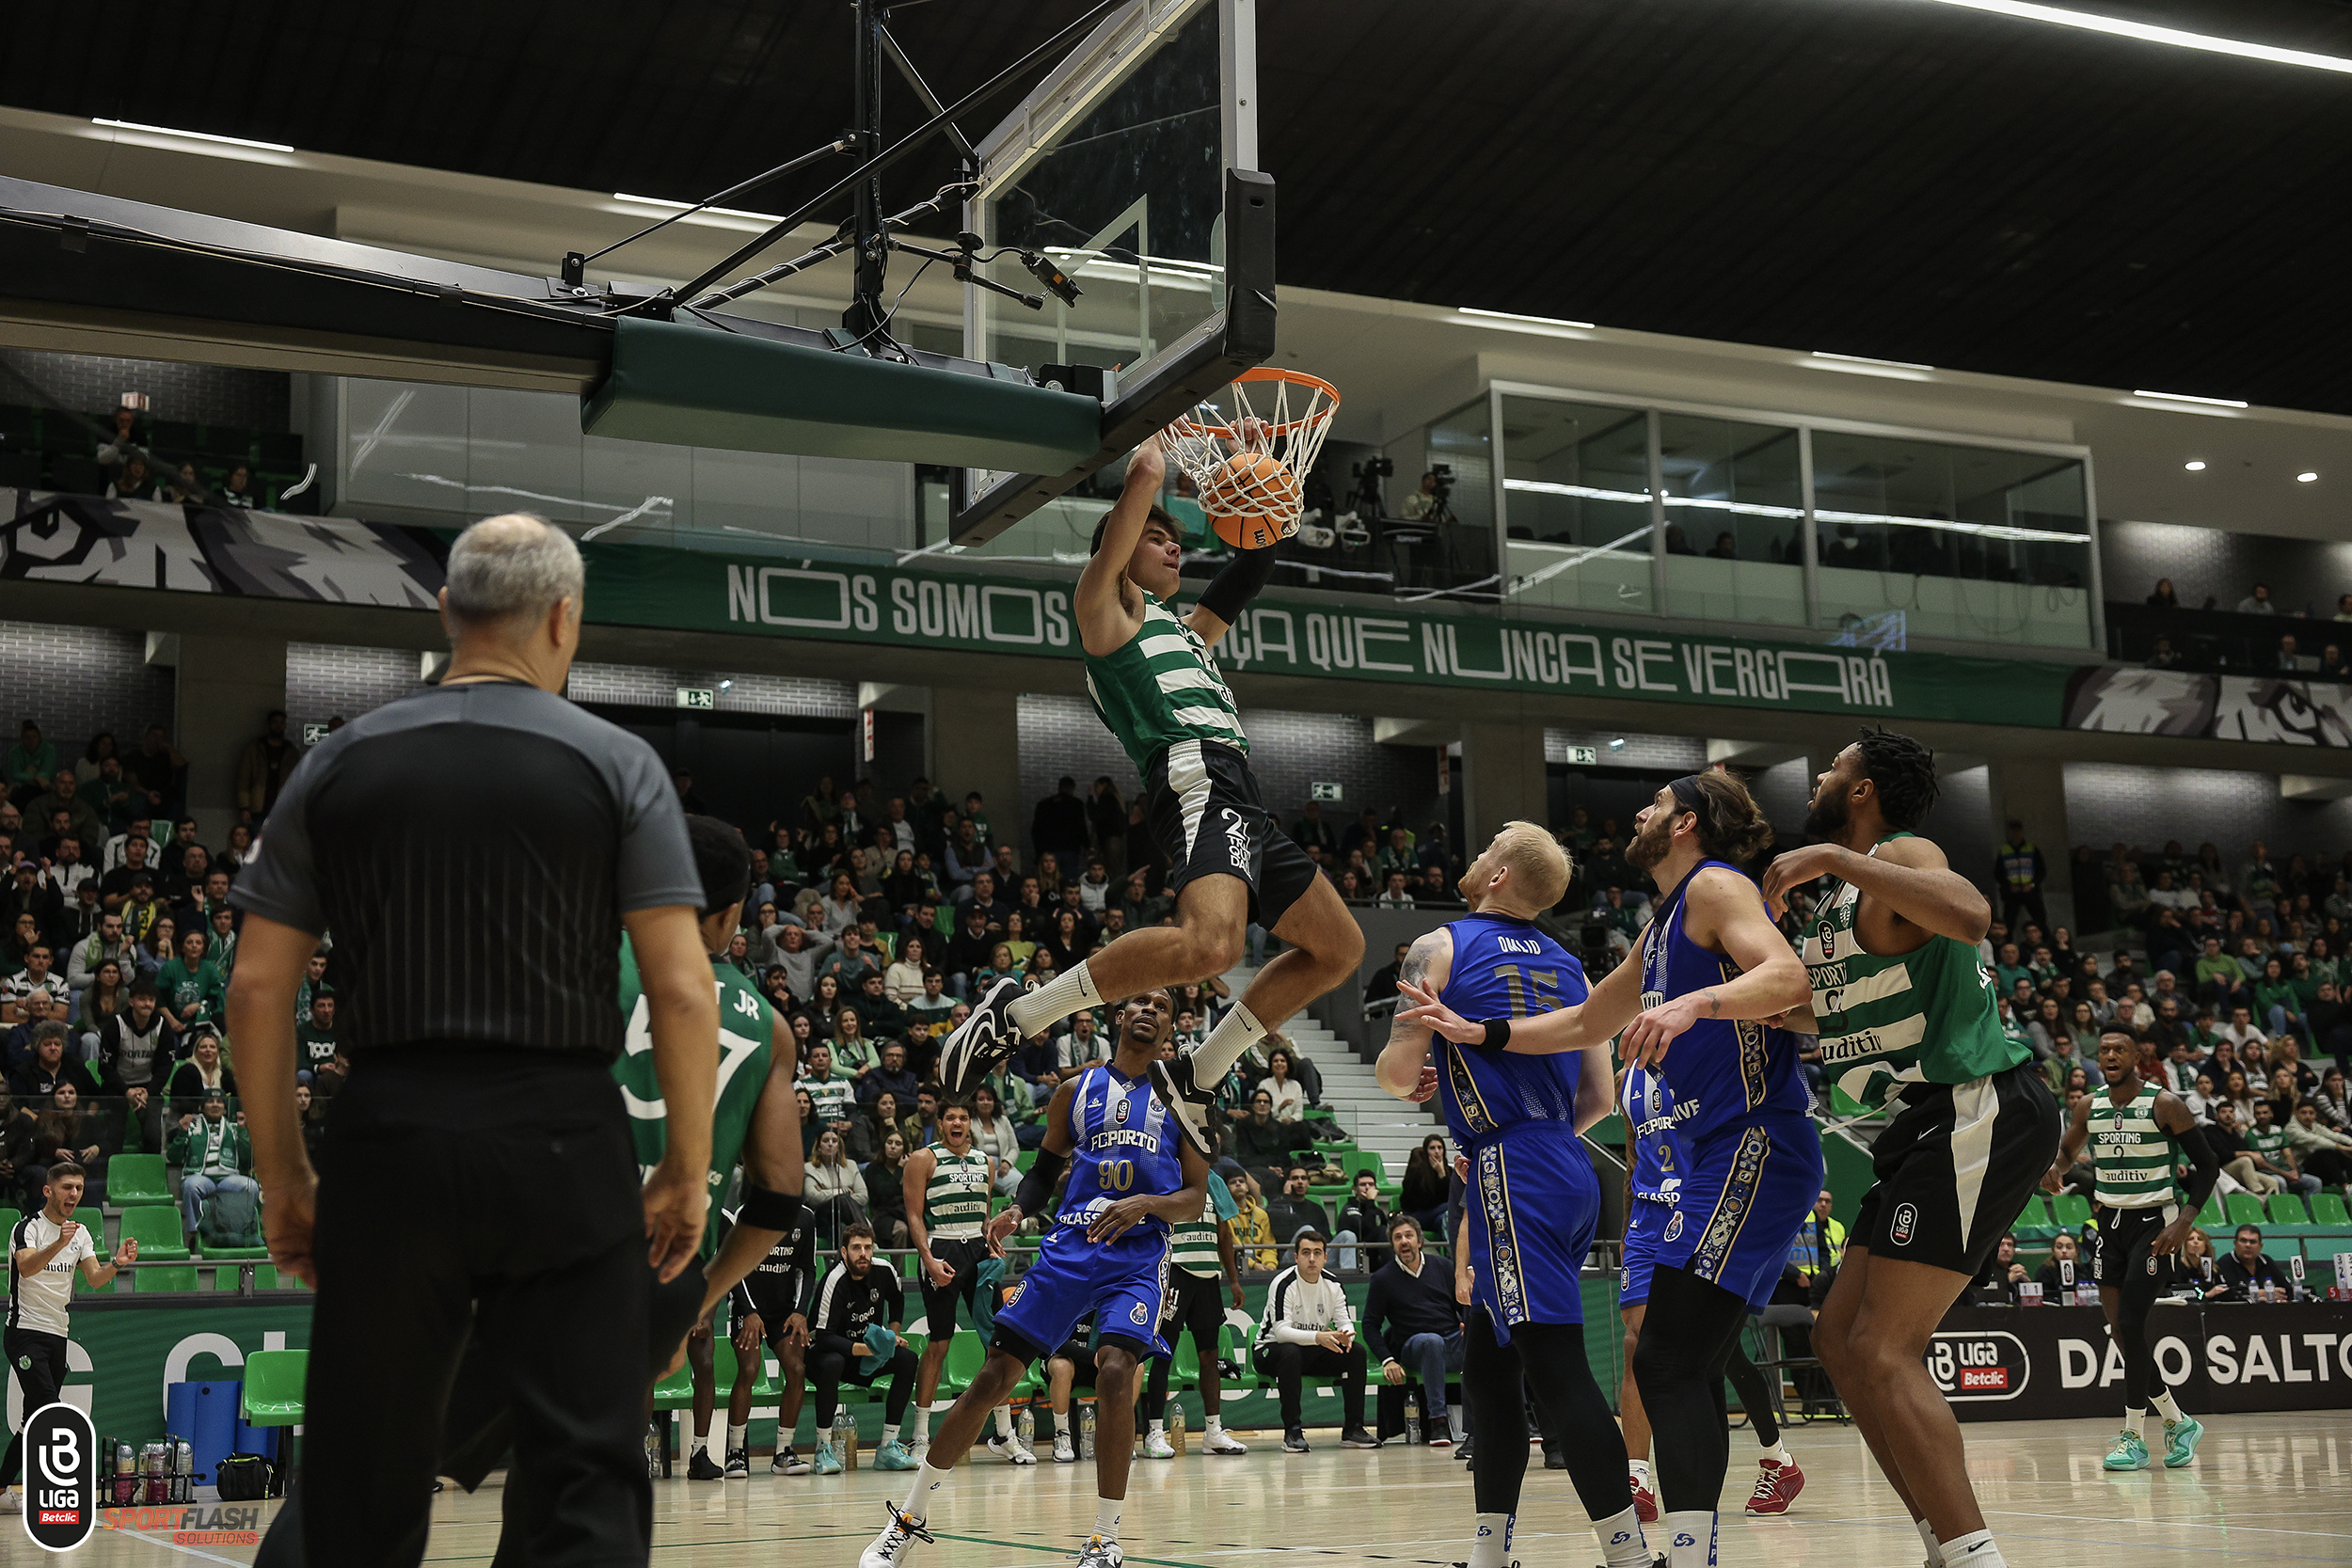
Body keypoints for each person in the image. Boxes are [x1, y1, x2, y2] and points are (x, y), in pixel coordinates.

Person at [225, 513, 718, 1568]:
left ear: (447, 611)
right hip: (559, 1133)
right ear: (564, 619)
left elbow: (259, 987)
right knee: (582, 1468)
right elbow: (682, 991)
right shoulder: (619, 763)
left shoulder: (337, 761)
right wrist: (685, 1163)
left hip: (390, 1131)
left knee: (364, 1473)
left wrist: (282, 1173)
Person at [937, 436, 1365, 1166]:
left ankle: (1198, 1071)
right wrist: (1174, 442)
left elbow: (1254, 564)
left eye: (1176, 542)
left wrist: (1264, 477)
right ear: (1122, 547)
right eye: (1156, 538)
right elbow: (1141, 474)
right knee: (1211, 947)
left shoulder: (1188, 631)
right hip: (1194, 775)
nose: (1173, 550)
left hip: (1243, 794)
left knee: (1339, 948)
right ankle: (1020, 1014)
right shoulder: (1106, 614)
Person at [1762, 729, 2062, 1568]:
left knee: (1884, 1348)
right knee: (1836, 1340)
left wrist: (1830, 854)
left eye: (1833, 766)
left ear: (1861, 791)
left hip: (1978, 1104)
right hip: (1921, 1122)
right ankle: (1941, 1536)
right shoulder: (1839, 902)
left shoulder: (1902, 852)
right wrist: (1725, 1011)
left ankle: (1974, 1556)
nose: (1820, 772)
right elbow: (1843, 1015)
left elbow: (1971, 914)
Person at [859, 990, 1210, 1568]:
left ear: (1172, 1024)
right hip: (1071, 1245)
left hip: (1139, 1254)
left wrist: (1145, 1204)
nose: (1150, 1009)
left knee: (1118, 1369)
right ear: (1117, 1017)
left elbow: (1195, 1198)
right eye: (1139, 1001)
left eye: (1163, 1005)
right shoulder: (1075, 1091)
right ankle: (909, 1519)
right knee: (994, 1377)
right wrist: (1017, 1209)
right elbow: (1045, 1168)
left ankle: (1105, 1537)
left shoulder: (1182, 1099)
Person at [1381, 823, 1652, 1568]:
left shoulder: (1439, 945)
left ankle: (1628, 1555)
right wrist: (1525, 1128)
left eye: (1487, 844)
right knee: (1493, 1365)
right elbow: (1599, 1094)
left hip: (1513, 1169)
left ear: (1498, 872)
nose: (1475, 852)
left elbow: (1399, 1074)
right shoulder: (1571, 965)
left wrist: (1436, 1084)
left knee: (1556, 1364)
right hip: (1566, 1166)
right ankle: (1490, 1551)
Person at [612, 816, 803, 1483]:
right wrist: (699, 1299)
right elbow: (780, 1194)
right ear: (732, 913)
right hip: (649, 1284)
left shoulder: (578, 955)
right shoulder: (772, 1027)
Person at [1615, 1061, 1804, 1525]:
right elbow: (1635, 1155)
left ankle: (1777, 1459)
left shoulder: (1710, 1057)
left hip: (1710, 1207)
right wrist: (1627, 1226)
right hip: (1649, 1215)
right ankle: (1636, 1476)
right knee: (1639, 1341)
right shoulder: (1626, 1080)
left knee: (1715, 1356)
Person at [2043, 1031, 2217, 1474]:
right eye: (2104, 1050)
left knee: (2131, 1323)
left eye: (2120, 1049)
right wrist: (2056, 1170)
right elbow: (2067, 1151)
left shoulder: (2166, 1104)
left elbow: (2208, 1165)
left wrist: (2184, 1221)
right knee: (2123, 1333)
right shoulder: (2089, 1106)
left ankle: (2135, 1436)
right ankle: (2178, 1421)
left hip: (2155, 1225)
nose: (2111, 1056)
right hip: (2110, 1224)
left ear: (2138, 1056)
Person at [2, 1162, 135, 1511]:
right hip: (24, 1331)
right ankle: (59, 1493)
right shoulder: (27, 1228)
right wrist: (58, 1244)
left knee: (33, 1420)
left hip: (57, 1334)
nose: (73, 1194)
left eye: (78, 1188)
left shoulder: (81, 1233)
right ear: (49, 1191)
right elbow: (27, 1267)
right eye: (66, 1187)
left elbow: (93, 1279)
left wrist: (117, 1263)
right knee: (50, 1410)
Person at [903, 1098, 1001, 1456]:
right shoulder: (922, 1159)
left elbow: (985, 1214)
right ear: (941, 1123)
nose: (957, 1123)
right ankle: (920, 1436)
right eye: (950, 1118)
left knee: (998, 1344)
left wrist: (991, 1242)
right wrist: (928, 1260)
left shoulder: (985, 1162)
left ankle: (1004, 1434)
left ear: (969, 1123)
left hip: (977, 1252)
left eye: (963, 1117)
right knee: (939, 1345)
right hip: (941, 1250)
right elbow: (914, 1216)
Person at [1141, 1162, 1249, 1457]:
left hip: (1208, 1277)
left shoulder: (1213, 1180)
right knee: (1163, 1353)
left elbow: (1224, 1234)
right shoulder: (1164, 1173)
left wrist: (1234, 1280)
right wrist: (1156, 1279)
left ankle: (1213, 1431)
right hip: (1174, 1273)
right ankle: (1153, 1432)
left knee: (1210, 1355)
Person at [809, 1223, 923, 1472]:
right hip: (827, 1354)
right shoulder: (834, 1280)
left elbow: (897, 1298)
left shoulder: (884, 1270)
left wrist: (892, 1335)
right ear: (843, 1252)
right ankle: (823, 1448)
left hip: (864, 1355)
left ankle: (888, 1446)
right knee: (832, 1363)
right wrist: (867, 1349)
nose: (863, 1253)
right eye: (856, 1248)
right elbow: (824, 1336)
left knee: (908, 1359)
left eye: (868, 1247)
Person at [723, 1200, 818, 1477]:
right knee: (749, 1370)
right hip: (747, 1307)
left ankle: (783, 1453)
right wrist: (749, 1311)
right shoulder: (747, 1213)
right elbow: (734, 1266)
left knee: (797, 1369)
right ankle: (735, 1453)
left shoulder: (806, 1217)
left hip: (784, 1311)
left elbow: (808, 1269)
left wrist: (801, 1312)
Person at [1257, 1230, 1374, 1450]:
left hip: (1310, 1349)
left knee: (1356, 1352)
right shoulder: (1283, 1283)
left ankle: (1353, 1429)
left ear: (1325, 1257)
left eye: (1317, 1253)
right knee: (1290, 1351)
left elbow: (1344, 1321)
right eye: (1306, 1252)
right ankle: (1292, 1432)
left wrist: (1345, 1335)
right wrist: (1319, 1337)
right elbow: (1281, 1333)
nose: (1312, 1258)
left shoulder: (1333, 1284)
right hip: (1269, 1351)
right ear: (1296, 1257)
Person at [1360, 1214, 1467, 1446]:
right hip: (1414, 1347)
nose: (1404, 1241)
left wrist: (1468, 1324)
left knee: (1483, 1340)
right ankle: (1438, 1422)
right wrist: (1387, 1359)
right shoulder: (1382, 1278)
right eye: (1398, 1238)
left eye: (1409, 1236)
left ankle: (1493, 1421)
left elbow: (1463, 1304)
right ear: (1393, 1245)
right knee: (1431, 1342)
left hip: (1452, 1340)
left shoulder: (1442, 1266)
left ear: (1420, 1241)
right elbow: (1369, 1325)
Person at [168, 1088, 257, 1249]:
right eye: (210, 1101)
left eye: (219, 1102)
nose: (215, 1105)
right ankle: (195, 1233)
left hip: (227, 1179)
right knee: (191, 1185)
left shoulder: (234, 1128)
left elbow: (248, 1159)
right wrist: (182, 1133)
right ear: (201, 1107)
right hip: (202, 1177)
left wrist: (244, 1131)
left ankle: (241, 1230)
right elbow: (173, 1157)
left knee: (251, 1186)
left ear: (224, 1107)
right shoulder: (192, 1126)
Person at [2214, 1225, 2288, 1300]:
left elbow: (2288, 1289)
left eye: (2253, 1242)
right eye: (2243, 1241)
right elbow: (2225, 1294)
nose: (2248, 1245)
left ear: (2260, 1246)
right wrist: (2263, 1293)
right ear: (2235, 1243)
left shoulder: (2266, 1261)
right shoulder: (2224, 1263)